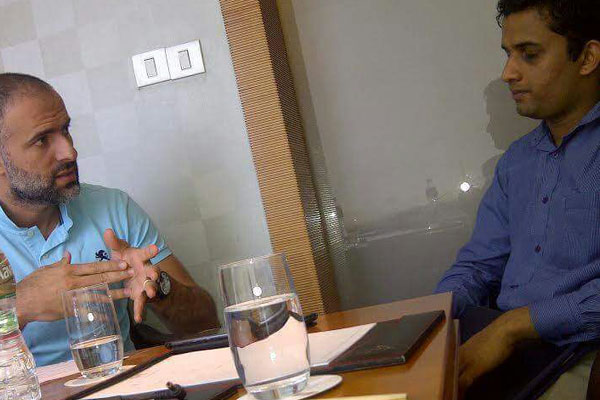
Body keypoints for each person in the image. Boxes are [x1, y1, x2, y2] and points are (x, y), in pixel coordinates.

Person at [434, 0, 600, 397]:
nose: (508, 73)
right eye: (508, 54)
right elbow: (479, 263)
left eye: (529, 54)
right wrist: (431, 317)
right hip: (507, 347)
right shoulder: (517, 162)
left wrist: (516, 325)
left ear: (587, 58)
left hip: (581, 353)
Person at [0, 73, 219, 366]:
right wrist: (20, 306)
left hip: (125, 382)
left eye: (65, 130)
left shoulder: (112, 207)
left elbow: (206, 324)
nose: (69, 151)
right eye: (42, 140)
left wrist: (160, 288)